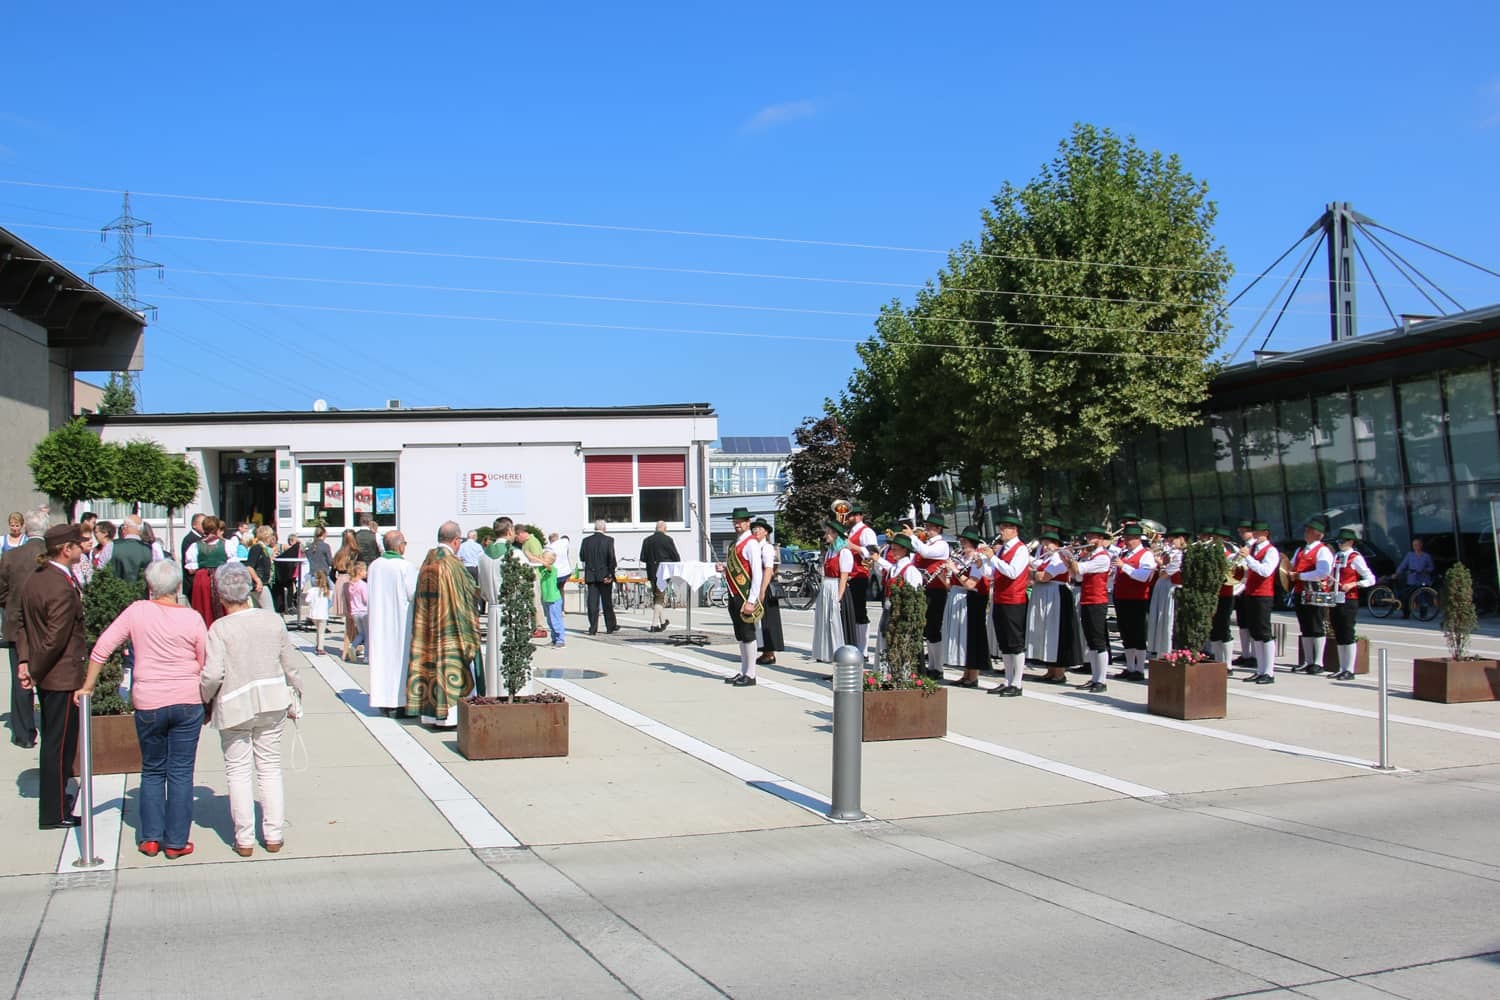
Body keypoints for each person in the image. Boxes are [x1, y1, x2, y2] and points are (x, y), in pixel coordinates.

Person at [82, 560, 206, 858]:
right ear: (178, 586)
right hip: (186, 699)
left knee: (152, 769)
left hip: (149, 698)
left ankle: (150, 837)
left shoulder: (137, 611)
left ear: (150, 587)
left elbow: (103, 647)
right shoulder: (192, 618)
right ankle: (176, 841)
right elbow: (205, 659)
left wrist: (88, 685)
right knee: (181, 771)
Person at [201, 562, 302, 857]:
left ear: (221, 595)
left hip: (234, 703)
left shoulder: (220, 628)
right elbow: (290, 663)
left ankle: (244, 838)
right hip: (272, 700)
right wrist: (296, 692)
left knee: (238, 771)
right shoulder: (272, 620)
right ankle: (274, 834)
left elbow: (212, 674)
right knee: (269, 768)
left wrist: (205, 698)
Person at [15, 524, 89, 829]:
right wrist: (33, 669)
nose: (82, 548)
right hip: (60, 676)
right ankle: (55, 812)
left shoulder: (38, 578)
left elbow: (21, 623)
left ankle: (57, 803)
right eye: (78, 544)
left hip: (51, 673)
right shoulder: (58, 584)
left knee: (55, 742)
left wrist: (25, 660)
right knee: (59, 747)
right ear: (65, 549)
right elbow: (55, 638)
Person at [407, 522, 480, 727]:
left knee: (430, 666)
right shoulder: (452, 564)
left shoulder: (427, 561)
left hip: (428, 627)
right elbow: (469, 592)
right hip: (449, 627)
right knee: (452, 667)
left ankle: (431, 715)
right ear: (456, 540)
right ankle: (450, 717)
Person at [0, 508, 48, 748]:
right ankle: (49, 729)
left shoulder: (12, 557)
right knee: (48, 679)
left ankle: (24, 734)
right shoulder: (53, 555)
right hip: (47, 625)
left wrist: (11, 606)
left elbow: (1, 591)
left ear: (26, 528)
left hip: (17, 623)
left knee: (21, 678)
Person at [367, 530, 419, 716]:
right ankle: (399, 702)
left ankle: (382, 700)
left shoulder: (374, 565)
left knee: (382, 660)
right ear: (400, 546)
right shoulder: (405, 566)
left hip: (379, 621)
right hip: (400, 621)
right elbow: (413, 593)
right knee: (399, 661)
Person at [978, 513, 1029, 696]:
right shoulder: (1002, 550)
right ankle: (1008, 679)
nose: (1001, 531)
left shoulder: (1021, 549)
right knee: (1004, 642)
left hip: (1014, 600)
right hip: (1000, 599)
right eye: (1001, 527)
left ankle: (1017, 683)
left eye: (1005, 528)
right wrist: (981, 563)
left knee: (1015, 642)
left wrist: (992, 557)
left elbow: (1013, 572)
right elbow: (992, 573)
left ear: (1014, 530)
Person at [1026, 532, 1084, 684]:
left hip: (1056, 595)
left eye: (1049, 544)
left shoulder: (1059, 558)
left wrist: (1029, 571)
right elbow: (1037, 568)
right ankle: (1050, 670)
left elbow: (1044, 577)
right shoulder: (1047, 558)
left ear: (1057, 545)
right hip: (1045, 594)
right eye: (1044, 544)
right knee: (1046, 632)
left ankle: (1059, 673)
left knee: (1056, 632)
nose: (1045, 547)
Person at [713, 507, 762, 687]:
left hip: (744, 594)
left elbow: (757, 574)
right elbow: (736, 570)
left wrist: (751, 600)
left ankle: (751, 674)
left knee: (748, 633)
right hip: (733, 594)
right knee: (740, 635)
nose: (737, 525)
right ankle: (744, 671)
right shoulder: (735, 544)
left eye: (740, 522)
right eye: (735, 522)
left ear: (748, 523)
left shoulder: (751, 544)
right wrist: (724, 569)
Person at [477, 520, 525, 697]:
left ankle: (494, 689)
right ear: (510, 531)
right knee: (512, 653)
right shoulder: (515, 554)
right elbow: (526, 581)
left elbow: (482, 588)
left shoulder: (483, 557)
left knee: (494, 654)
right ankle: (513, 690)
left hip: (493, 608)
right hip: (511, 608)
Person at [907, 514, 952, 681]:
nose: (927, 529)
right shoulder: (925, 543)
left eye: (930, 527)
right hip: (924, 589)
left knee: (934, 629)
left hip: (936, 590)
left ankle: (937, 667)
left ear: (938, 529)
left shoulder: (942, 545)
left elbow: (926, 553)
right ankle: (927, 665)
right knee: (925, 629)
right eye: (926, 526)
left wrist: (912, 536)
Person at [1290, 518, 1336, 673]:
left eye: (1310, 531)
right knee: (1305, 627)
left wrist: (1300, 576)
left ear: (1319, 534)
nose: (1306, 533)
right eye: (1306, 530)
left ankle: (1318, 662)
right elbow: (1292, 566)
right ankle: (1308, 661)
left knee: (1316, 626)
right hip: (1300, 591)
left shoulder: (1323, 550)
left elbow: (1323, 572)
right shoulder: (1300, 550)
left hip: (1316, 592)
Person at [1110, 525, 1156, 682]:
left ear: (1138, 539)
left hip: (1137, 599)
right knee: (1126, 633)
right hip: (1121, 597)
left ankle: (1140, 669)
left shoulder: (1146, 555)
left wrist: (1124, 566)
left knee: (1138, 634)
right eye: (1125, 539)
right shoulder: (1124, 554)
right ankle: (1130, 667)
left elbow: (1143, 576)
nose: (1127, 541)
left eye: (1129, 539)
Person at [945, 528, 991, 688]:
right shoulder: (962, 558)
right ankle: (966, 674)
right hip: (960, 599)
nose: (961, 543)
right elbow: (950, 585)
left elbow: (971, 584)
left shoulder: (978, 559)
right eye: (961, 541)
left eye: (964, 541)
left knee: (972, 637)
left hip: (973, 601)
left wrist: (954, 570)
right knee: (963, 638)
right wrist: (944, 573)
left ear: (972, 543)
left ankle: (973, 676)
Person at [1329, 529, 1376, 680]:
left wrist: (1354, 584)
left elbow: (1370, 579)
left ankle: (1349, 669)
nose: (1339, 544)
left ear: (1350, 542)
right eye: (1338, 541)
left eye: (1342, 541)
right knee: (1338, 632)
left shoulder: (1355, 557)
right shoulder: (1337, 556)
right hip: (1336, 598)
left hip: (1349, 599)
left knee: (1347, 632)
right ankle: (1341, 668)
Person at [1238, 521, 1281, 685]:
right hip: (1251, 593)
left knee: (1264, 632)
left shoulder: (1271, 551)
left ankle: (1269, 672)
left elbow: (1265, 571)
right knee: (1255, 632)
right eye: (1254, 532)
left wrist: (1248, 558)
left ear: (1266, 533)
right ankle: (1260, 670)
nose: (1255, 534)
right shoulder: (1253, 549)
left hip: (1263, 595)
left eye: (1258, 532)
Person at [872, 532, 922, 669]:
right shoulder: (894, 568)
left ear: (904, 550)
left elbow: (914, 596)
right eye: (892, 549)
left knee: (899, 644)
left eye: (895, 549)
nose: (892, 552)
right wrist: (877, 559)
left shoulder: (911, 571)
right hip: (888, 609)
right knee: (885, 640)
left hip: (900, 612)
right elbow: (886, 568)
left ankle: (899, 672)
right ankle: (885, 671)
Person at [1074, 527, 1113, 693]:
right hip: (1087, 599)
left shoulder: (1103, 557)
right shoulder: (1090, 556)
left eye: (1093, 537)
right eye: (1088, 537)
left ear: (1101, 540)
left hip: (1097, 601)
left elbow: (1080, 569)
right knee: (1091, 641)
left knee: (1098, 641)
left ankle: (1101, 680)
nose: (1089, 540)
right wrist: (1072, 560)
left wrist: (1069, 559)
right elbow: (1077, 577)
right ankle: (1095, 677)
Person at [811, 520, 855, 664]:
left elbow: (844, 577)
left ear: (836, 534)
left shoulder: (844, 552)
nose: (826, 535)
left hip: (836, 587)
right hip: (827, 587)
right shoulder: (830, 551)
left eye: (828, 532)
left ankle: (842, 659)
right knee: (826, 622)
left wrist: (838, 598)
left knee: (837, 624)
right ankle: (830, 655)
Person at [184, 517, 238, 626]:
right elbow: (233, 566)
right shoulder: (227, 544)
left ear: (204, 529)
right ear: (218, 528)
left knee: (204, 607)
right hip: (222, 577)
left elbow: (191, 570)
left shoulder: (195, 546)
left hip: (203, 578)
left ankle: (205, 628)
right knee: (224, 606)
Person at [1146, 528, 1189, 659]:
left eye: (1172, 540)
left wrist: (1160, 563)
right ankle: (1161, 650)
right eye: (1169, 540)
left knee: (1168, 621)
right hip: (1163, 588)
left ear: (1181, 539)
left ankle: (1168, 652)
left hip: (1171, 589)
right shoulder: (1172, 553)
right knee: (1161, 619)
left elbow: (1164, 574)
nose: (1170, 543)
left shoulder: (1181, 555)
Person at [844, 504, 879, 659]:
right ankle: (852, 644)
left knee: (859, 612)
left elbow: (872, 553)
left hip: (859, 575)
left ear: (858, 516)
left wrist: (853, 546)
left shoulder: (866, 532)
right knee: (850, 613)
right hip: (849, 575)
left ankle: (863, 649)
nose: (847, 518)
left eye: (850, 516)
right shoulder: (850, 532)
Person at [578, 519, 619, 636]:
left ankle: (593, 627)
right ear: (604, 528)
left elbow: (582, 557)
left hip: (591, 575)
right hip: (604, 575)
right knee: (607, 602)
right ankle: (610, 626)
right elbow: (611, 558)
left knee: (592, 603)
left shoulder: (586, 541)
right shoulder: (608, 540)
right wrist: (610, 574)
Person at [751, 519, 784, 666]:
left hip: (765, 586)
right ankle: (764, 651)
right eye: (754, 528)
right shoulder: (755, 547)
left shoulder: (767, 547)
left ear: (766, 532)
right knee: (759, 621)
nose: (756, 531)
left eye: (759, 528)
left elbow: (769, 569)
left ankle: (769, 653)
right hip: (756, 585)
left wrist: (762, 590)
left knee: (768, 620)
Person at [639, 521, 681, 633]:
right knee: (659, 597)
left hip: (651, 571)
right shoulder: (668, 540)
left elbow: (643, 558)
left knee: (657, 596)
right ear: (664, 528)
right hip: (663, 571)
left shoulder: (647, 540)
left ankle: (662, 622)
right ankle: (654, 625)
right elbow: (676, 557)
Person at [515, 525, 548, 638]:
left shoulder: (533, 542)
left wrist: (528, 557)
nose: (517, 540)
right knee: (530, 602)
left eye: (517, 537)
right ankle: (532, 625)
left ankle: (540, 627)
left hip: (534, 575)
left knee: (535, 602)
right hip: (527, 575)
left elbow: (538, 559)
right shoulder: (525, 543)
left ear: (521, 534)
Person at [1391, 538, 1436, 618]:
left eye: (1417, 545)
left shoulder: (1426, 556)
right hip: (1412, 580)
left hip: (1423, 580)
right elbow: (1403, 565)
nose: (1416, 546)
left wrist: (1425, 570)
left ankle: (1423, 615)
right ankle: (1406, 614)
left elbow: (1431, 567)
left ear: (1421, 545)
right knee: (1407, 596)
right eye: (1414, 545)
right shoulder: (1410, 555)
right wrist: (1397, 573)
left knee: (1422, 597)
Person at [245, 526, 278, 611]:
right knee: (270, 610)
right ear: (267, 536)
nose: (272, 538)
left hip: (261, 583)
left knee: (257, 611)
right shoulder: (257, 548)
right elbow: (249, 566)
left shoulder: (263, 548)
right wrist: (258, 581)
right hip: (260, 584)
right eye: (271, 535)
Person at [539, 551, 565, 647]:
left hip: (554, 599)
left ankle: (560, 640)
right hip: (546, 598)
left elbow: (547, 566)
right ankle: (554, 639)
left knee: (556, 620)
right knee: (550, 621)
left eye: (544, 557)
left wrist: (539, 560)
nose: (542, 559)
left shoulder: (552, 569)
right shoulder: (542, 569)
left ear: (550, 561)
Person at [345, 561, 369, 662]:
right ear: (360, 571)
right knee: (367, 635)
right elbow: (366, 599)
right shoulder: (362, 585)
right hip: (364, 612)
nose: (366, 573)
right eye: (365, 571)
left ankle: (353, 646)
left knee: (361, 633)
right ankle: (367, 656)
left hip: (355, 612)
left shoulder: (350, 585)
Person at [306, 570, 332, 655]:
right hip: (323, 614)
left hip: (313, 614)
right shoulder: (327, 591)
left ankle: (318, 645)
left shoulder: (312, 590)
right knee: (321, 632)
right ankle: (320, 648)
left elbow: (307, 600)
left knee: (318, 630)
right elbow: (331, 600)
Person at [180, 513, 205, 594]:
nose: (205, 526)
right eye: (202, 524)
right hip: (192, 584)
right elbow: (190, 565)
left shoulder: (202, 538)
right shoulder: (190, 539)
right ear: (194, 525)